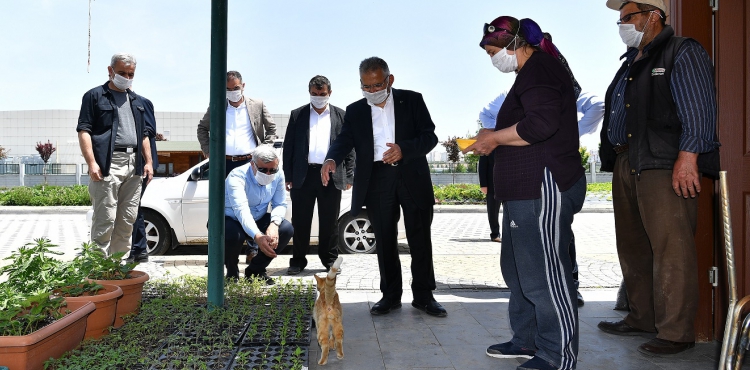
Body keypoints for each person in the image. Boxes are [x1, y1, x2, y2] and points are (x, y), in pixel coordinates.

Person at [596, 0, 720, 356]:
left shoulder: (681, 51)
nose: (622, 25)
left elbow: (699, 107)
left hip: (664, 163)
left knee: (671, 247)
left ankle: (676, 332)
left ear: (654, 16)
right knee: (633, 246)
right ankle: (641, 317)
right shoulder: (630, 63)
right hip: (627, 161)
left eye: (628, 18)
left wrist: (688, 156)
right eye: (620, 20)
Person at [467, 16, 586, 370]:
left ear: (513, 44)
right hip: (522, 189)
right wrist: (495, 136)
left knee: (543, 272)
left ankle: (557, 354)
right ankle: (527, 340)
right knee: (519, 270)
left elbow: (541, 125)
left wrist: (494, 137)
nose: (492, 59)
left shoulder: (540, 70)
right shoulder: (529, 75)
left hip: (542, 184)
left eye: (493, 52)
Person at [321, 57, 446, 318]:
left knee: (419, 238)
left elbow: (429, 136)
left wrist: (404, 149)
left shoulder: (412, 100)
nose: (372, 92)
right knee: (385, 240)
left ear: (389, 80)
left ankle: (424, 295)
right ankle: (390, 296)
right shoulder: (355, 110)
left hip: (412, 174)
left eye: (377, 85)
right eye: (366, 87)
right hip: (377, 179)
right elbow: (344, 139)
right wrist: (332, 158)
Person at [479, 90, 605, 307]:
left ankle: (569, 287)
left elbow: (598, 106)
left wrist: (568, 133)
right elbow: (486, 115)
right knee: (523, 235)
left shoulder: (556, 86)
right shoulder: (512, 94)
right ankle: (530, 290)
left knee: (559, 234)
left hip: (554, 169)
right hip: (521, 169)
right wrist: (508, 136)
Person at [77, 53, 154, 256]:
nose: (127, 77)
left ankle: (116, 267)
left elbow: (144, 134)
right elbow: (84, 130)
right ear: (110, 71)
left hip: (134, 164)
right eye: (122, 73)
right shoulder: (94, 96)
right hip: (109, 164)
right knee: (105, 218)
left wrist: (149, 162)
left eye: (131, 74)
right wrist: (92, 163)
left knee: (127, 220)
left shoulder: (137, 101)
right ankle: (98, 270)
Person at [283, 75, 355, 275]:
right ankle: (298, 260)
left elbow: (349, 148)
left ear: (329, 93)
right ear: (309, 93)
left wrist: (349, 175)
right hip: (302, 176)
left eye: (322, 94)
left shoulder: (341, 115)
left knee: (330, 221)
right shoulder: (297, 115)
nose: (318, 97)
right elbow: (288, 147)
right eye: (314, 94)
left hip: (331, 176)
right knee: (300, 220)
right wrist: (288, 175)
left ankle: (329, 259)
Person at [224, 145, 294, 285]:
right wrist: (258, 236)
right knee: (232, 234)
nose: (268, 174)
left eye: (272, 170)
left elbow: (280, 204)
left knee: (286, 229)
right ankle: (232, 273)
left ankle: (255, 270)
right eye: (263, 170)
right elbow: (241, 210)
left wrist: (274, 224)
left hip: (259, 216)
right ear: (252, 164)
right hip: (233, 218)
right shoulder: (236, 176)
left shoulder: (279, 174)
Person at [197, 70, 277, 177]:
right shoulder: (217, 106)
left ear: (243, 86)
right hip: (224, 163)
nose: (232, 92)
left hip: (251, 162)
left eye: (236, 88)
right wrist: (207, 150)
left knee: (250, 193)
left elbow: (271, 128)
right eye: (228, 89)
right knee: (226, 194)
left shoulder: (257, 105)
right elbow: (202, 128)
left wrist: (264, 149)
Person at [127, 97, 158, 263]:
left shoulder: (142, 102)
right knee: (132, 206)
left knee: (133, 206)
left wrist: (148, 163)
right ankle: (138, 249)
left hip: (142, 164)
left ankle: (138, 248)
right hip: (128, 164)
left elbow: (150, 129)